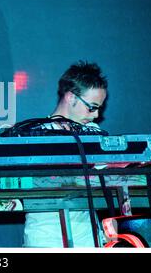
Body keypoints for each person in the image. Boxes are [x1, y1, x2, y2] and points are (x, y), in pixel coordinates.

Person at [23, 61, 108, 248]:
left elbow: (109, 178)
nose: (95, 115)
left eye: (99, 108)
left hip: (87, 232)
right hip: (44, 233)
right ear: (71, 97)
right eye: (92, 107)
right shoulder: (34, 134)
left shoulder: (92, 132)